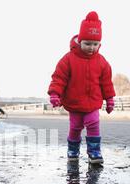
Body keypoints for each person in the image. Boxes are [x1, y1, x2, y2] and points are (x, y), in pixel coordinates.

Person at [48, 11, 116, 164]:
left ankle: (94, 152)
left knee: (93, 124)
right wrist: (55, 93)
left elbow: (106, 82)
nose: (91, 48)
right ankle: (73, 149)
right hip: (74, 102)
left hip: (93, 102)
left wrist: (110, 99)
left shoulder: (102, 62)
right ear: (80, 41)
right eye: (87, 44)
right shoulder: (68, 59)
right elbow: (59, 78)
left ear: (100, 44)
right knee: (76, 127)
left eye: (95, 44)